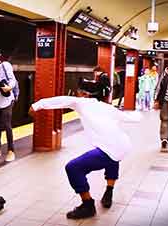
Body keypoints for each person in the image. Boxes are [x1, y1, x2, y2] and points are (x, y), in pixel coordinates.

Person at [29, 89, 141, 219]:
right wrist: (140, 114)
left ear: (85, 94)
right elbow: (131, 118)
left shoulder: (81, 102)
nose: (77, 95)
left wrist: (36, 105)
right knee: (112, 157)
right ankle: (109, 192)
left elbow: (62, 100)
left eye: (79, 92)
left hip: (110, 148)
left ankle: (88, 205)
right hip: (123, 145)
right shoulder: (107, 107)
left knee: (73, 167)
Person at [154, 67, 168, 152]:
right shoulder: (165, 73)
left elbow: (159, 87)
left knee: (165, 120)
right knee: (164, 119)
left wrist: (156, 99)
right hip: (165, 101)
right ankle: (164, 139)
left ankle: (164, 138)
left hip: (165, 100)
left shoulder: (165, 73)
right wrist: (157, 100)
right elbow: (159, 87)